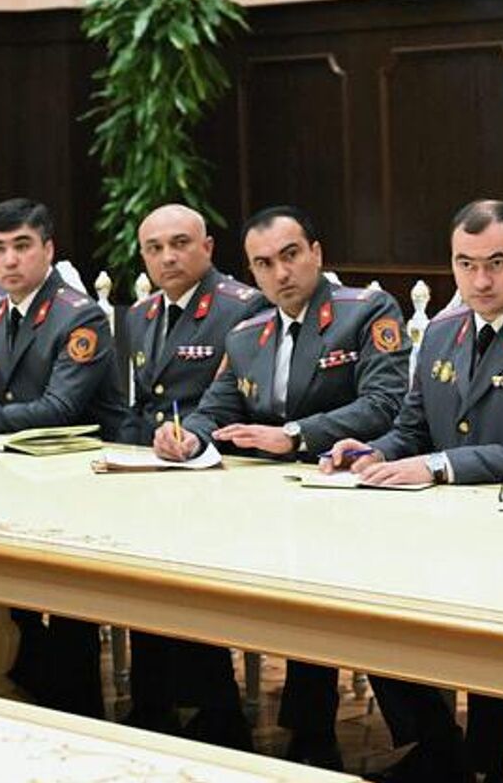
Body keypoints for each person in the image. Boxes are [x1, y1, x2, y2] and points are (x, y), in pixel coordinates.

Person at [325, 199, 503, 783]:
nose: (479, 281)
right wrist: (373, 452)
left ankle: (494, 760)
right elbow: (412, 429)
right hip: (440, 530)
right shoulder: (441, 332)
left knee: (494, 642)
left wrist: (437, 466)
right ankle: (438, 745)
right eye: (465, 264)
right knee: (360, 596)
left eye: (496, 263)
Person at [159, 205, 408, 765]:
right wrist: (185, 436)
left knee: (325, 583)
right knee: (182, 565)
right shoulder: (246, 333)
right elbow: (216, 408)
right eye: (264, 264)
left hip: (358, 495)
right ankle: (219, 713)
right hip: (271, 508)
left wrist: (294, 435)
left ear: (316, 253)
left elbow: (385, 403)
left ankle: (326, 734)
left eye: (290, 256)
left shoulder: (366, 310)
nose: (280, 273)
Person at [0, 197, 130, 717]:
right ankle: (20, 689)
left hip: (85, 485)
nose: (10, 260)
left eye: (22, 246)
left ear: (48, 249)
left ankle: (79, 710)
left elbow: (60, 409)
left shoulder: (80, 315)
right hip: (16, 479)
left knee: (67, 613)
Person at [116, 204, 269, 749]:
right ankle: (153, 705)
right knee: (134, 570)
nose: (168, 257)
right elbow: (139, 404)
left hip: (220, 476)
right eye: (154, 248)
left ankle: (217, 712)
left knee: (184, 576)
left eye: (180, 243)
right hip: (154, 472)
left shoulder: (242, 306)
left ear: (207, 247)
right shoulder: (140, 314)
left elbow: (244, 401)